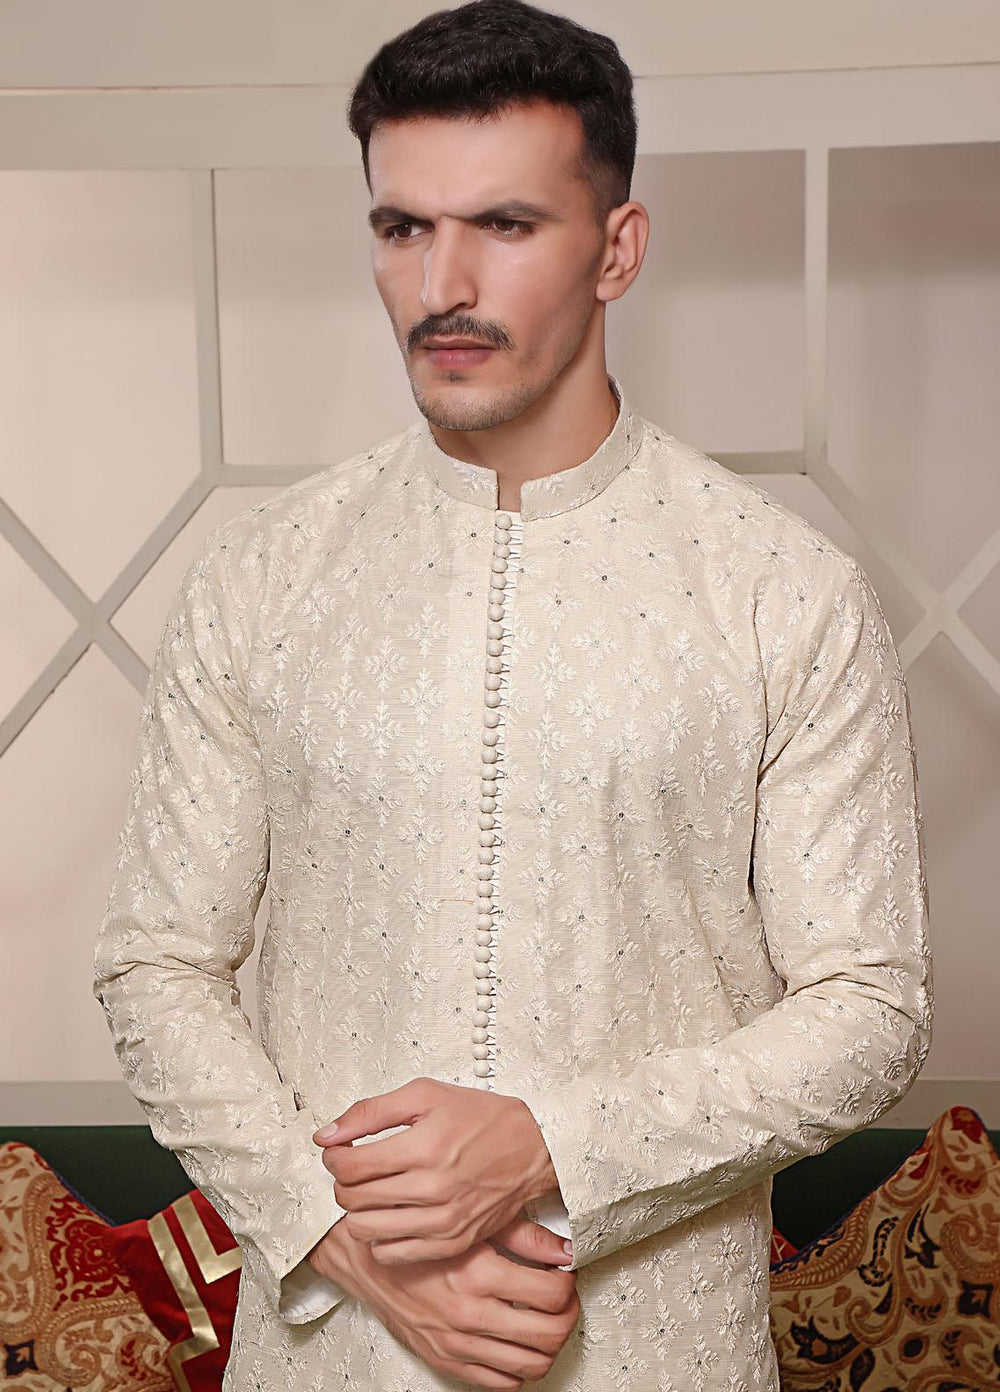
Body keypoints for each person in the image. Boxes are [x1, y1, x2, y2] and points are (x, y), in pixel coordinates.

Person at [92, 1, 934, 1388]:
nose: (443, 284)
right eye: (402, 228)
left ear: (618, 248)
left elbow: (871, 1006)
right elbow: (157, 966)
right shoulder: (262, 580)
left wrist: (553, 1143)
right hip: (335, 1352)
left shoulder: (781, 592)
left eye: (505, 224)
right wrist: (344, 1246)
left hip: (656, 1351)